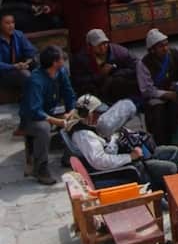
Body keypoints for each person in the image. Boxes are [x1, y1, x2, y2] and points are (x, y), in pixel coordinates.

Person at [69, 93, 178, 190]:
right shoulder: (84, 135)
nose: (101, 116)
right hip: (125, 167)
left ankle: (166, 187)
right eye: (98, 113)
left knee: (174, 151)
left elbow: (110, 139)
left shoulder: (96, 126)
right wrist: (130, 156)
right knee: (170, 168)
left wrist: (120, 133)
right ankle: (162, 193)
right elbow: (99, 161)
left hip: (132, 153)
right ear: (89, 114)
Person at [19, 45, 74, 185]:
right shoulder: (35, 81)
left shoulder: (61, 72)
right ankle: (40, 168)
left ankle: (70, 156)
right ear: (55, 62)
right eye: (61, 58)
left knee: (76, 117)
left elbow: (69, 93)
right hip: (31, 118)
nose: (64, 59)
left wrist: (70, 111)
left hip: (50, 111)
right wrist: (56, 121)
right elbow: (35, 111)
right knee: (43, 128)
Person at [136, 28, 178, 145]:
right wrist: (165, 94)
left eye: (166, 45)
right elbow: (146, 90)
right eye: (160, 46)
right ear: (152, 50)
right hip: (155, 96)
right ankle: (161, 144)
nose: (165, 49)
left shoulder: (174, 54)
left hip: (174, 92)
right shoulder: (143, 64)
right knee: (158, 110)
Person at [71, 28, 139, 105]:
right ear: (89, 46)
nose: (103, 48)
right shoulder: (80, 59)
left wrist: (116, 73)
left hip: (116, 84)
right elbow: (77, 82)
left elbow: (137, 65)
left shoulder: (118, 51)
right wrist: (99, 75)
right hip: (95, 90)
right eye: (98, 45)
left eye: (105, 43)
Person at [0, 11, 37, 96]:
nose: (11, 26)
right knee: (25, 74)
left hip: (19, 67)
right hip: (4, 72)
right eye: (7, 23)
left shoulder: (18, 34)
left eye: (13, 22)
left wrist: (26, 63)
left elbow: (31, 51)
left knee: (39, 67)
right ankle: (29, 103)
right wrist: (14, 66)